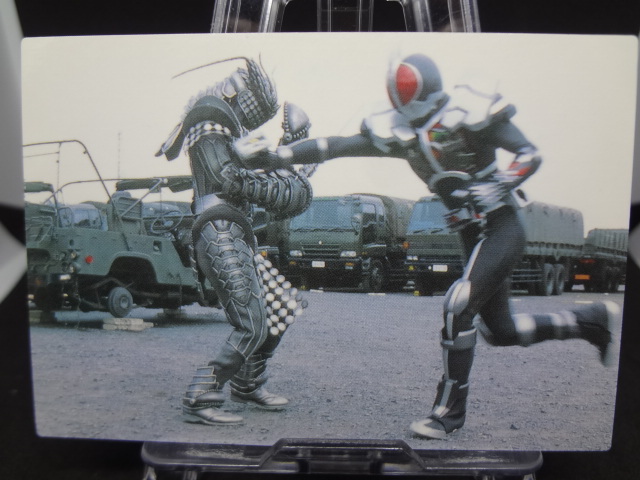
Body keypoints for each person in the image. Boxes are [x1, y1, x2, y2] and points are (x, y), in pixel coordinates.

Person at [237, 53, 618, 438]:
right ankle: (590, 321)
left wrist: (500, 184)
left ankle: (448, 412)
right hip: (472, 232)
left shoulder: (468, 113)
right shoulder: (401, 133)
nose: (417, 120)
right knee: (501, 331)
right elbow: (335, 145)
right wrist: (277, 155)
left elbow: (529, 153)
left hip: (501, 224)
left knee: (459, 305)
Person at [157, 57, 313, 425]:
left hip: (235, 229)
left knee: (282, 307)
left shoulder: (230, 131)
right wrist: (283, 184)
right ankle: (200, 397)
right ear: (238, 93)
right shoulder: (207, 120)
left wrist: (287, 157)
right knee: (251, 323)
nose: (252, 117)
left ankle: (247, 382)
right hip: (218, 229)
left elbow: (249, 171)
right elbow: (226, 177)